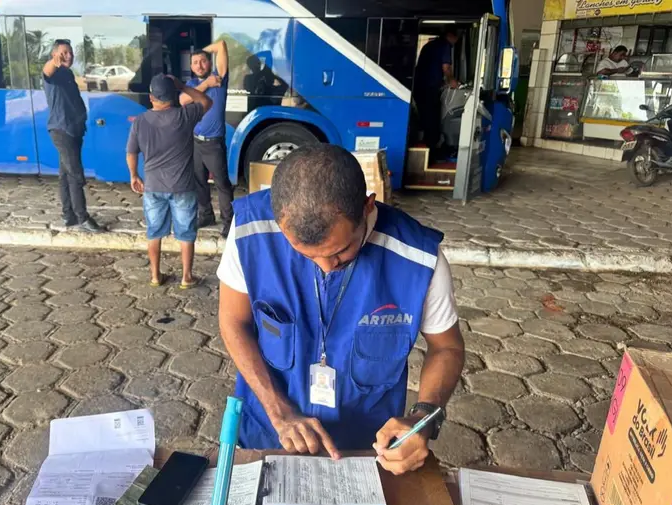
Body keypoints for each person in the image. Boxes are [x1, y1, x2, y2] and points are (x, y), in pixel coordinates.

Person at [217, 144, 465, 475]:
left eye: (340, 251)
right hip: (268, 433)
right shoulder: (250, 231)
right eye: (306, 255)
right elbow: (233, 321)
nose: (327, 266)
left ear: (367, 206)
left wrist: (423, 418)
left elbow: (446, 347)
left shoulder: (419, 258)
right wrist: (279, 412)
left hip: (366, 450)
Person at [126, 74, 213, 289]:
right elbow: (206, 101)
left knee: (154, 233)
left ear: (151, 97)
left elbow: (131, 152)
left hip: (153, 187)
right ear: (173, 95)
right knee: (186, 234)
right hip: (183, 187)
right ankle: (186, 277)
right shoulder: (185, 116)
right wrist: (183, 86)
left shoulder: (140, 121)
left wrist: (134, 175)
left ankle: (155, 276)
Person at [42, 39, 104, 233]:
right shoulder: (53, 74)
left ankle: (69, 216)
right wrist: (54, 62)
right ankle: (82, 218)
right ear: (54, 55)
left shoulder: (67, 73)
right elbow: (46, 71)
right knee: (76, 174)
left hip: (74, 130)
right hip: (62, 130)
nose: (68, 56)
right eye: (64, 53)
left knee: (65, 175)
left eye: (70, 52)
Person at [180, 40, 233, 238]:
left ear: (210, 63)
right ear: (191, 67)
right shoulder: (191, 85)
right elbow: (183, 100)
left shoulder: (220, 78)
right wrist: (206, 84)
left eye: (203, 61)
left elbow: (221, 45)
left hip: (214, 143)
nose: (200, 65)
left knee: (222, 185)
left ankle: (229, 222)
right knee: (199, 182)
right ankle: (206, 215)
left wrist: (202, 50)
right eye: (195, 62)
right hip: (195, 142)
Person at [414, 27, 459, 158]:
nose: (456, 41)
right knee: (432, 119)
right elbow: (446, 67)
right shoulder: (445, 46)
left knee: (426, 117)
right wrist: (452, 81)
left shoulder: (431, 44)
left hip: (419, 86)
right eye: (457, 37)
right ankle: (431, 152)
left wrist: (443, 82)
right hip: (428, 88)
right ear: (450, 35)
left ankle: (428, 147)